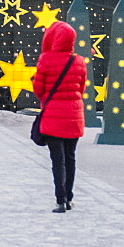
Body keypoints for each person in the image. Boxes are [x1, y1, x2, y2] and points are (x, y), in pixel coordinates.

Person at [33, 21, 86, 214]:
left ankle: (60, 200)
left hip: (53, 116)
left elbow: (38, 90)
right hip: (73, 116)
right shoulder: (79, 61)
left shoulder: (45, 60)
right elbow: (81, 89)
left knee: (58, 160)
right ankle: (70, 198)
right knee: (71, 158)